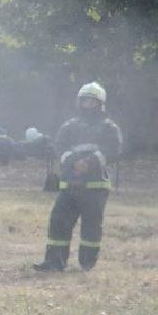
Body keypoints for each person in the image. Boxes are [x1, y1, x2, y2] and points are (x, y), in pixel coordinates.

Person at [33, 82, 123, 272]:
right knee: (58, 222)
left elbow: (113, 150)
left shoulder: (109, 128)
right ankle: (54, 263)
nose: (87, 104)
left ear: (100, 103)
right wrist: (73, 162)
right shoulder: (69, 126)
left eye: (91, 100)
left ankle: (87, 264)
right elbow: (59, 147)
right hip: (70, 185)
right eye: (84, 100)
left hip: (95, 187)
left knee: (91, 227)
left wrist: (88, 163)